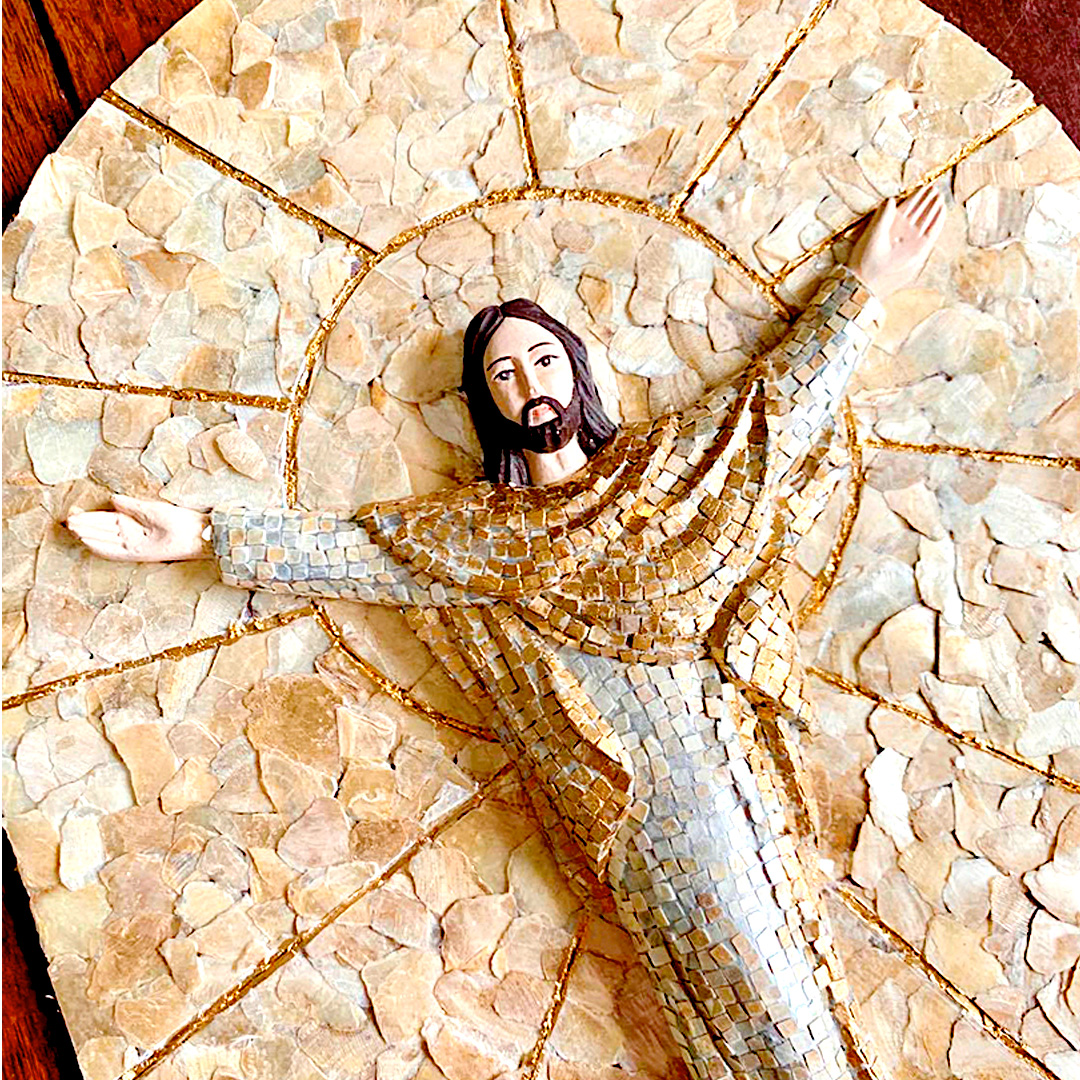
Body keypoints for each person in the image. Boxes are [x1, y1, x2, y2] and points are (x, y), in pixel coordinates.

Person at [67, 187, 945, 1079]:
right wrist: (205, 535)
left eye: (543, 360)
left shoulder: (668, 473)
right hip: (638, 810)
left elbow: (774, 411)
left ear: (578, 371)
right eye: (505, 376)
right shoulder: (479, 540)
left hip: (729, 773)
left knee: (787, 972)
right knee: (716, 992)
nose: (530, 385)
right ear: (487, 405)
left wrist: (861, 289)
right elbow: (357, 554)